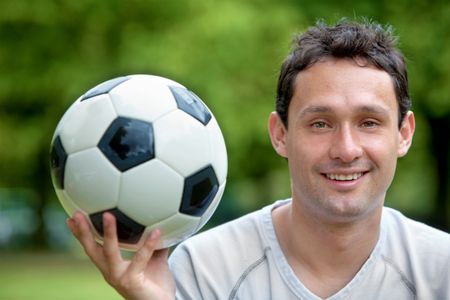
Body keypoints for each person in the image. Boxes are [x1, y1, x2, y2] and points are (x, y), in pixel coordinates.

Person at [67, 19, 450, 299]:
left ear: (404, 134)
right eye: (320, 123)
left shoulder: (441, 270)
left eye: (369, 122)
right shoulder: (200, 270)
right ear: (280, 134)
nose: (346, 149)